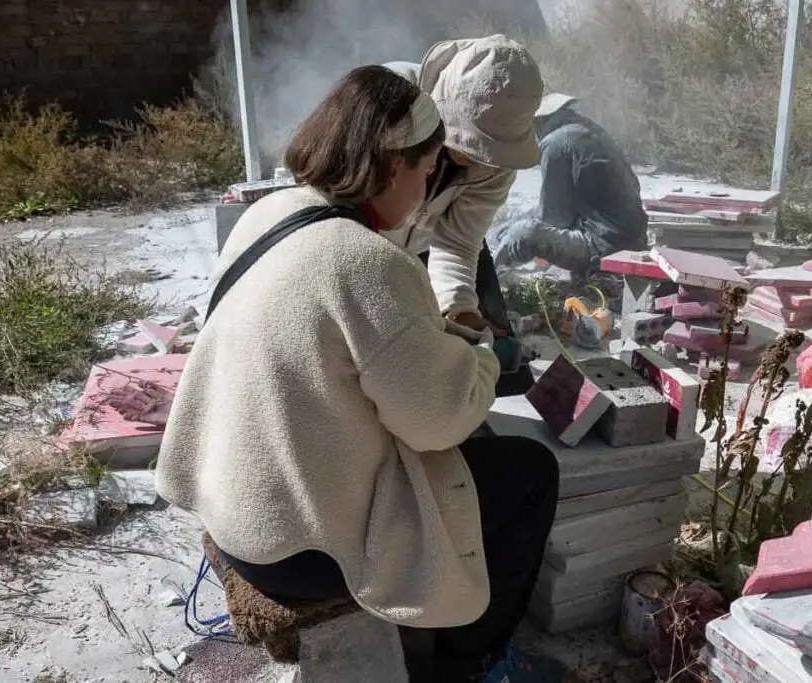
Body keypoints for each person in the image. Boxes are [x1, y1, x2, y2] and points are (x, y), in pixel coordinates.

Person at [149, 66, 564, 682]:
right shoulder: (367, 262)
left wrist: (431, 339)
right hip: (298, 551)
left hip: (230, 504)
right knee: (530, 474)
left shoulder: (272, 212)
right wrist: (481, 359)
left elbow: (339, 344)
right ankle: (468, 663)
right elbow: (436, 421)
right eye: (426, 173)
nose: (427, 191)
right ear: (395, 166)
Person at [382, 35, 544, 394]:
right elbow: (347, 231)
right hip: (365, 250)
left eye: (487, 150)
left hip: (429, 246)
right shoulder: (384, 107)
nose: (475, 159)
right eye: (468, 144)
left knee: (489, 366)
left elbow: (457, 239)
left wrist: (458, 309)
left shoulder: (500, 156)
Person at [493, 93, 648, 281]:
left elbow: (554, 218)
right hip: (634, 239)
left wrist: (511, 230)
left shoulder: (556, 144)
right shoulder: (590, 131)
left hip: (603, 246)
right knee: (513, 225)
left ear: (537, 123)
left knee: (523, 233)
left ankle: (491, 279)